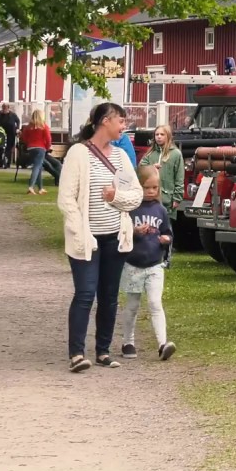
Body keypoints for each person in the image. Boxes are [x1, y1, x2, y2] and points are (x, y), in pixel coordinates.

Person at [58, 102, 144, 373]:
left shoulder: (121, 156)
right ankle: (76, 353)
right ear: (105, 120)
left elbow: (137, 195)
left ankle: (103, 351)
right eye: (121, 120)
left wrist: (115, 197)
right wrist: (80, 231)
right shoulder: (78, 153)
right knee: (85, 293)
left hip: (115, 238)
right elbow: (66, 199)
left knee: (108, 296)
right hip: (87, 239)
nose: (124, 126)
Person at [120, 166, 177, 361]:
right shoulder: (130, 209)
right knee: (132, 305)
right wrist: (135, 232)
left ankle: (163, 343)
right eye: (147, 187)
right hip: (133, 264)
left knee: (155, 303)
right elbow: (122, 233)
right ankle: (128, 341)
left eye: (155, 187)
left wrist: (166, 239)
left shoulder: (160, 210)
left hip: (154, 265)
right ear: (138, 186)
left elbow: (167, 232)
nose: (151, 191)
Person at [139, 125, 185, 267]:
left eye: (162, 134)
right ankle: (151, 255)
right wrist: (151, 167)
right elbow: (141, 169)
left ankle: (166, 259)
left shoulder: (176, 154)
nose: (158, 137)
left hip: (167, 199)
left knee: (167, 229)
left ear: (168, 136)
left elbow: (179, 177)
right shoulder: (150, 153)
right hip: (151, 199)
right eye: (156, 134)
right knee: (151, 228)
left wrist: (177, 197)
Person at [21, 110, 54, 195]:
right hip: (41, 148)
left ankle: (40, 188)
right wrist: (47, 147)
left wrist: (29, 143)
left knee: (38, 167)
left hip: (31, 148)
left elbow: (24, 137)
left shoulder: (28, 127)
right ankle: (31, 186)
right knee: (37, 167)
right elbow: (48, 139)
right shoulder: (44, 126)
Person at [0, 102, 20, 168]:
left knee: (9, 148)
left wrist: (17, 128)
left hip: (11, 133)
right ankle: (1, 161)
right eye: (3, 108)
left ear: (8, 108)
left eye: (6, 108)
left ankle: (8, 162)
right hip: (0, 133)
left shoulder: (12, 114)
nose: (4, 109)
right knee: (0, 147)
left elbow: (18, 121)